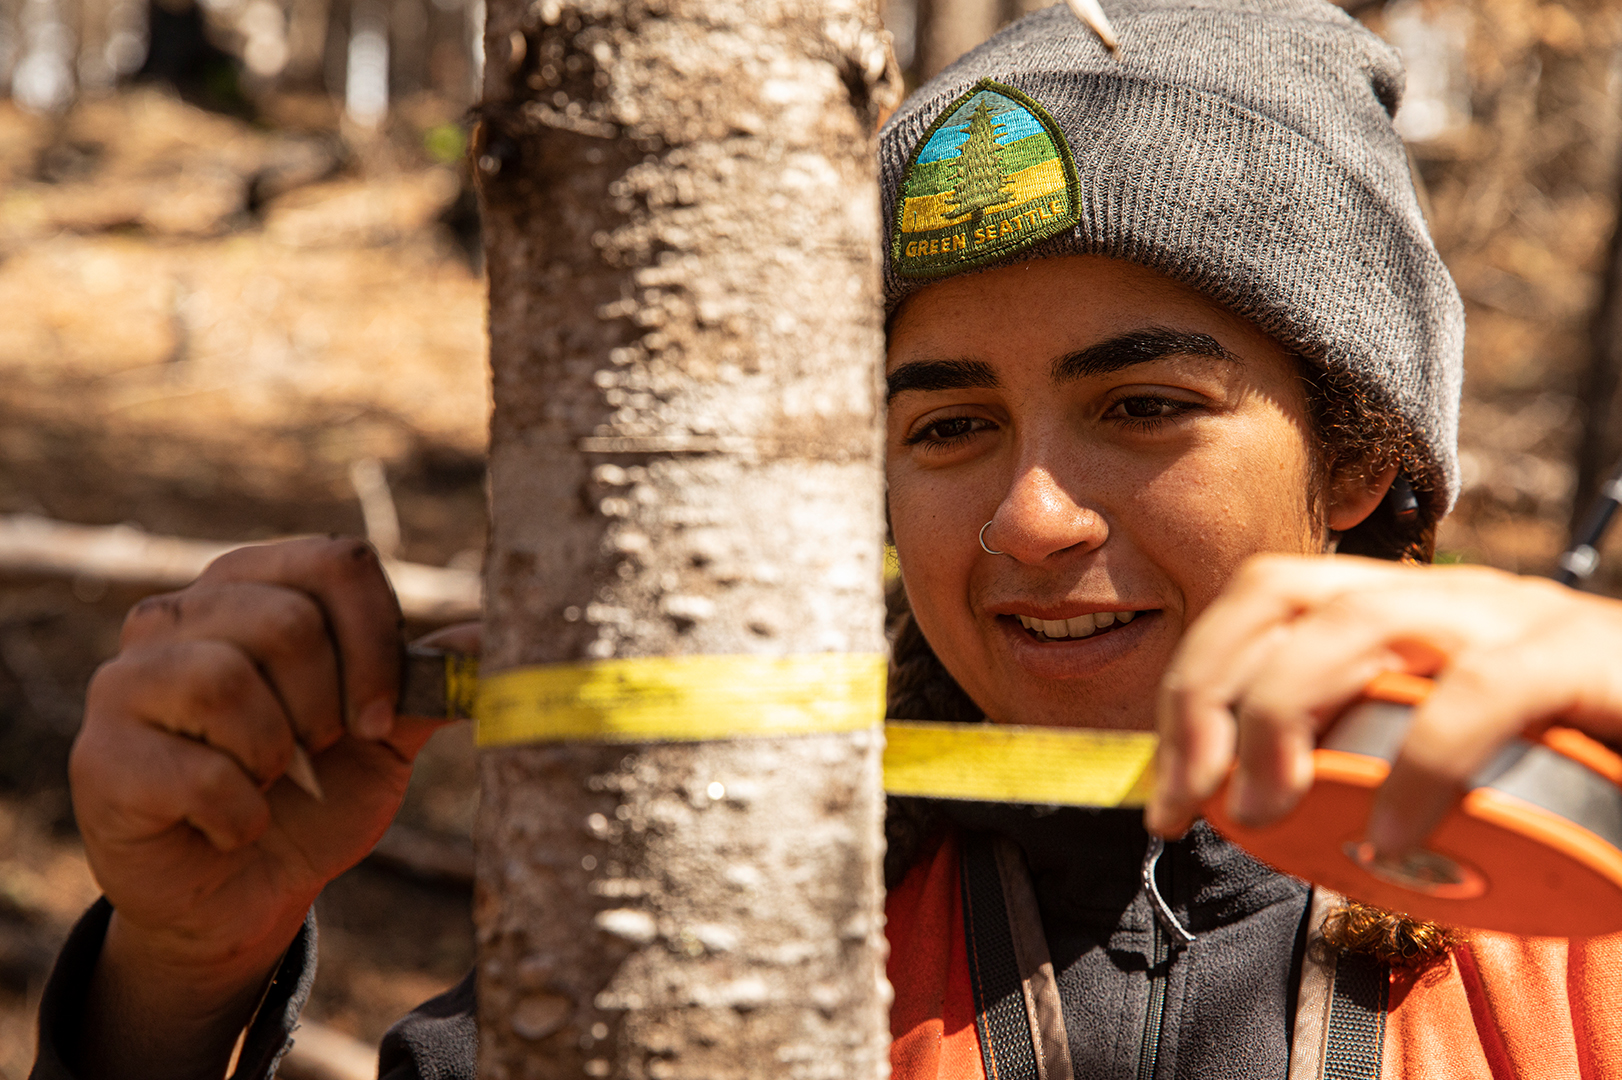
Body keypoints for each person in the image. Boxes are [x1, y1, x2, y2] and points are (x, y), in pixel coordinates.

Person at [31, 1, 1622, 1077]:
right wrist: (176, 985)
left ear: (1357, 457)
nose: (1025, 515)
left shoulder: (1574, 927)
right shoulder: (713, 938)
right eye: (943, 427)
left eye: (1141, 407)